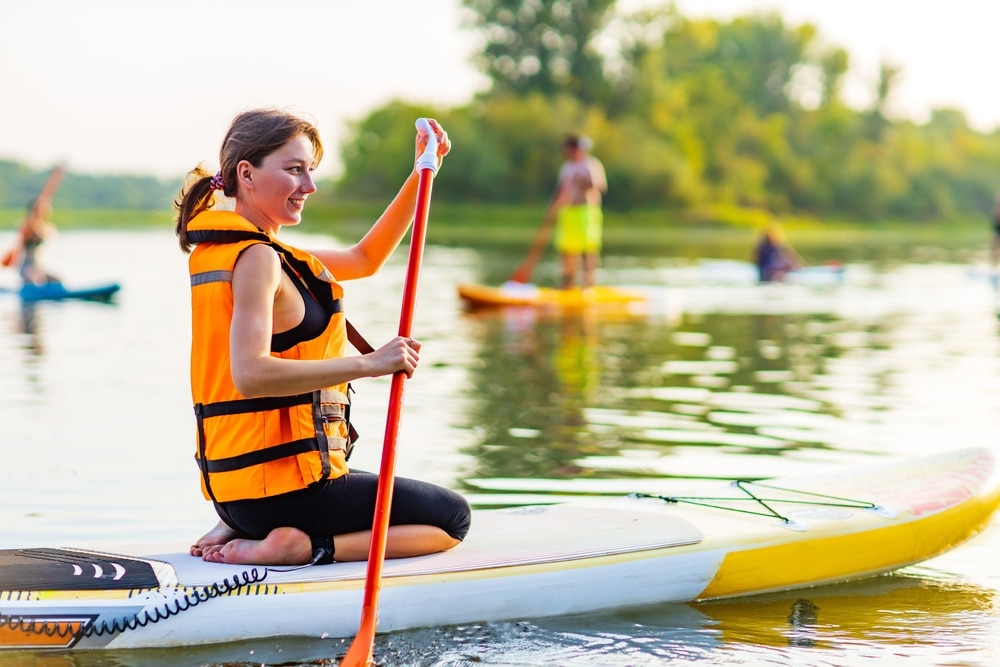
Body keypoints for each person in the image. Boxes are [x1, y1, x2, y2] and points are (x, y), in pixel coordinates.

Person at [174, 108, 470, 566]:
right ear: (246, 174)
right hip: (290, 493)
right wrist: (369, 364)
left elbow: (366, 258)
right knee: (452, 519)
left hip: (238, 493)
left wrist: (421, 174)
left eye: (310, 171)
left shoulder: (230, 252)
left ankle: (242, 525)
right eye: (294, 170)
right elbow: (250, 375)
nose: (309, 186)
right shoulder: (259, 259)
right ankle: (307, 547)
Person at [547, 132, 608, 289]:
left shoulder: (591, 164)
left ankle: (589, 284)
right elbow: (560, 190)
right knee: (566, 248)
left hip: (586, 212)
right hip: (568, 212)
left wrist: (585, 180)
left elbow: (601, 186)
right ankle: (568, 283)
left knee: (588, 248)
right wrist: (552, 209)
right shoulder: (566, 167)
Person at [3, 198, 61, 286]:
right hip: (26, 267)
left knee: (57, 280)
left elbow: (49, 234)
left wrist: (37, 226)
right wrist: (32, 225)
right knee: (35, 281)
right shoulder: (25, 226)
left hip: (38, 266)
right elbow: (22, 234)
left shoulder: (43, 227)